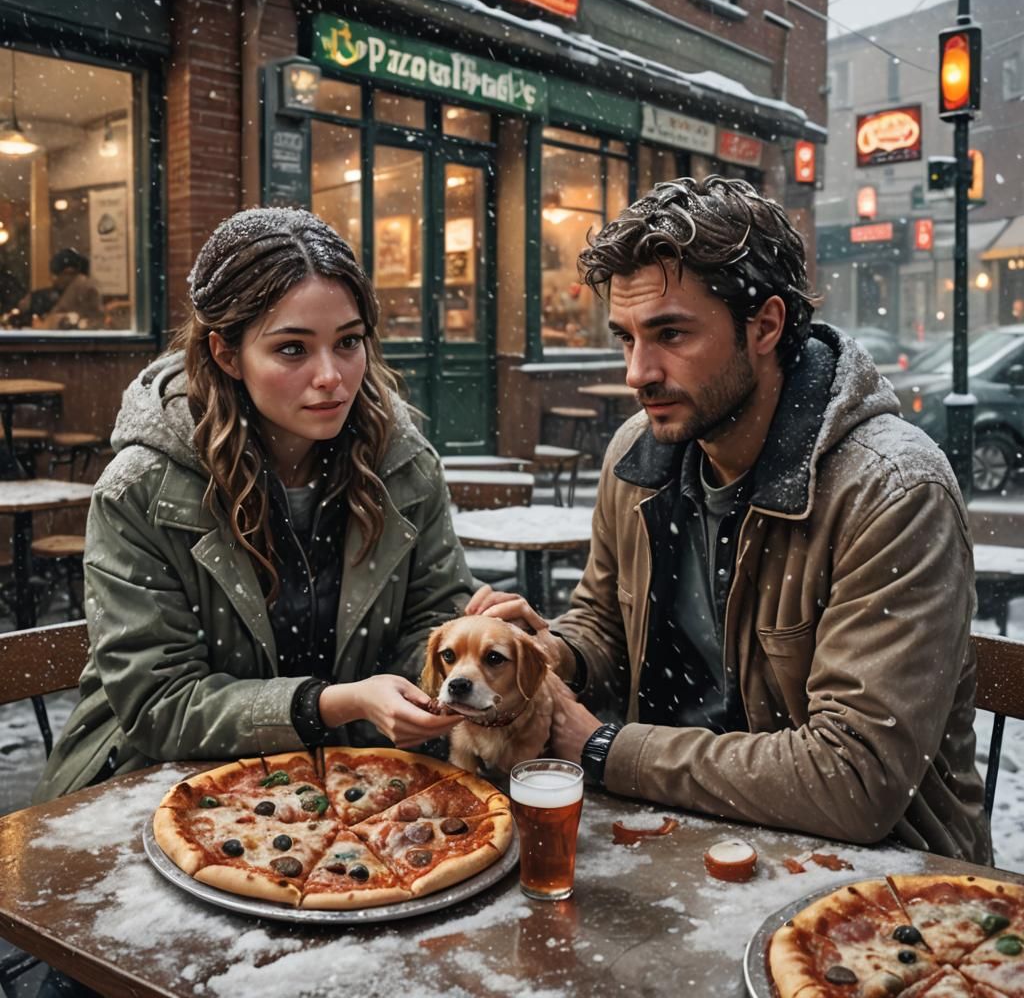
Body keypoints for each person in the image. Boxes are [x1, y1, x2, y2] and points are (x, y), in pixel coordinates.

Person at [471, 175, 990, 864]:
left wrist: (599, 745)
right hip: (662, 833)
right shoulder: (639, 450)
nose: (637, 372)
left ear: (766, 325)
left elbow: (854, 780)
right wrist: (544, 659)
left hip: (871, 881)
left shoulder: (892, 491)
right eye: (625, 338)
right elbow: (603, 620)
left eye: (670, 334)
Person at [35, 207, 469, 802]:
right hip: (155, 786)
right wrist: (330, 704)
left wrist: (465, 648)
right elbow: (160, 705)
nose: (331, 377)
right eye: (292, 349)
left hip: (358, 783)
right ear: (227, 354)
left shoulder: (405, 467)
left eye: (348, 342)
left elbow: (430, 622)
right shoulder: (140, 489)